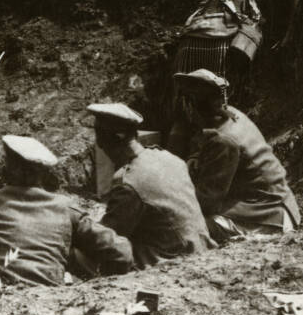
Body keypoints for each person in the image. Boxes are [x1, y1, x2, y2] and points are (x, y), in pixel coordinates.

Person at [0, 134, 133, 286]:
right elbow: (121, 253)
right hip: (48, 298)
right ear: (42, 173)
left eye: (7, 162)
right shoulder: (65, 207)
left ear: (11, 168)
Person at [166, 0, 289, 156]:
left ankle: (173, 162)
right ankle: (214, 160)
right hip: (221, 39)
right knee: (219, 107)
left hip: (190, 42)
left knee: (185, 106)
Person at [176, 69, 300, 241]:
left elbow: (207, 201)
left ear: (191, 107)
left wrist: (173, 197)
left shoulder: (224, 140)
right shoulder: (232, 115)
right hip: (273, 204)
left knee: (184, 226)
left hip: (268, 218)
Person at [88, 103, 214, 268]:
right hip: (201, 248)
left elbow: (109, 236)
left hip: (172, 261)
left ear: (104, 139)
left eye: (98, 134)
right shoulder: (170, 158)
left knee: (84, 254)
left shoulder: (129, 182)